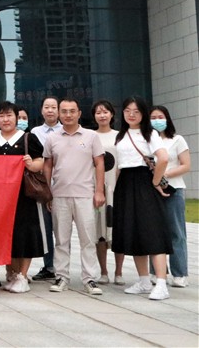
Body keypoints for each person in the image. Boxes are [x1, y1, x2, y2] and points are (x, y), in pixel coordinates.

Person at [42, 99, 105, 296]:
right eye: (64, 111)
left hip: (85, 195)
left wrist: (99, 191)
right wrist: (48, 192)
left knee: (88, 239)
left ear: (79, 113)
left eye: (72, 111)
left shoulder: (91, 136)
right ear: (59, 114)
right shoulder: (52, 138)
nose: (68, 115)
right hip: (59, 195)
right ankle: (61, 277)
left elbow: (99, 163)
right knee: (61, 240)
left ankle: (90, 278)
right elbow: (47, 166)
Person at [0, 101, 46, 294]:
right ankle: (11, 272)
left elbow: (40, 162)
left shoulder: (28, 138)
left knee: (25, 233)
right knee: (7, 234)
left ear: (17, 118)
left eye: (9, 115)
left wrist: (31, 164)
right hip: (0, 197)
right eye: (1, 116)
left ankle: (23, 276)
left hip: (24, 196)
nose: (5, 119)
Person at [114, 96, 172, 301]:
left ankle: (161, 283)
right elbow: (120, 165)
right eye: (127, 110)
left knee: (152, 231)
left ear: (143, 114)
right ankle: (144, 281)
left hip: (143, 182)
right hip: (125, 183)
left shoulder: (150, 133)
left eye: (136, 111)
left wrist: (155, 182)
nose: (131, 114)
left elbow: (163, 158)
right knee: (133, 232)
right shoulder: (121, 135)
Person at [149, 105, 190, 288]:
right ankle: (156, 272)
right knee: (153, 231)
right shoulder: (147, 141)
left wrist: (164, 175)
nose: (157, 120)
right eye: (153, 118)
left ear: (167, 118)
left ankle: (180, 273)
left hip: (174, 189)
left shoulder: (177, 140)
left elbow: (185, 165)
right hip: (152, 191)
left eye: (160, 117)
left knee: (176, 233)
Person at [92, 99, 124, 285]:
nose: (102, 115)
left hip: (117, 188)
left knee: (118, 230)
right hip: (98, 188)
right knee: (99, 232)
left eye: (105, 112)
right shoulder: (91, 136)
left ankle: (119, 272)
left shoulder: (120, 136)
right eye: (98, 112)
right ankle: (103, 271)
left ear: (112, 114)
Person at [31, 96, 61, 282]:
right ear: (42, 110)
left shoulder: (66, 131)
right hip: (43, 185)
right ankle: (49, 266)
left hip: (64, 184)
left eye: (53, 107)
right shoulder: (35, 132)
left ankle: (62, 267)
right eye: (47, 107)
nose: (50, 110)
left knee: (63, 229)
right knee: (46, 228)